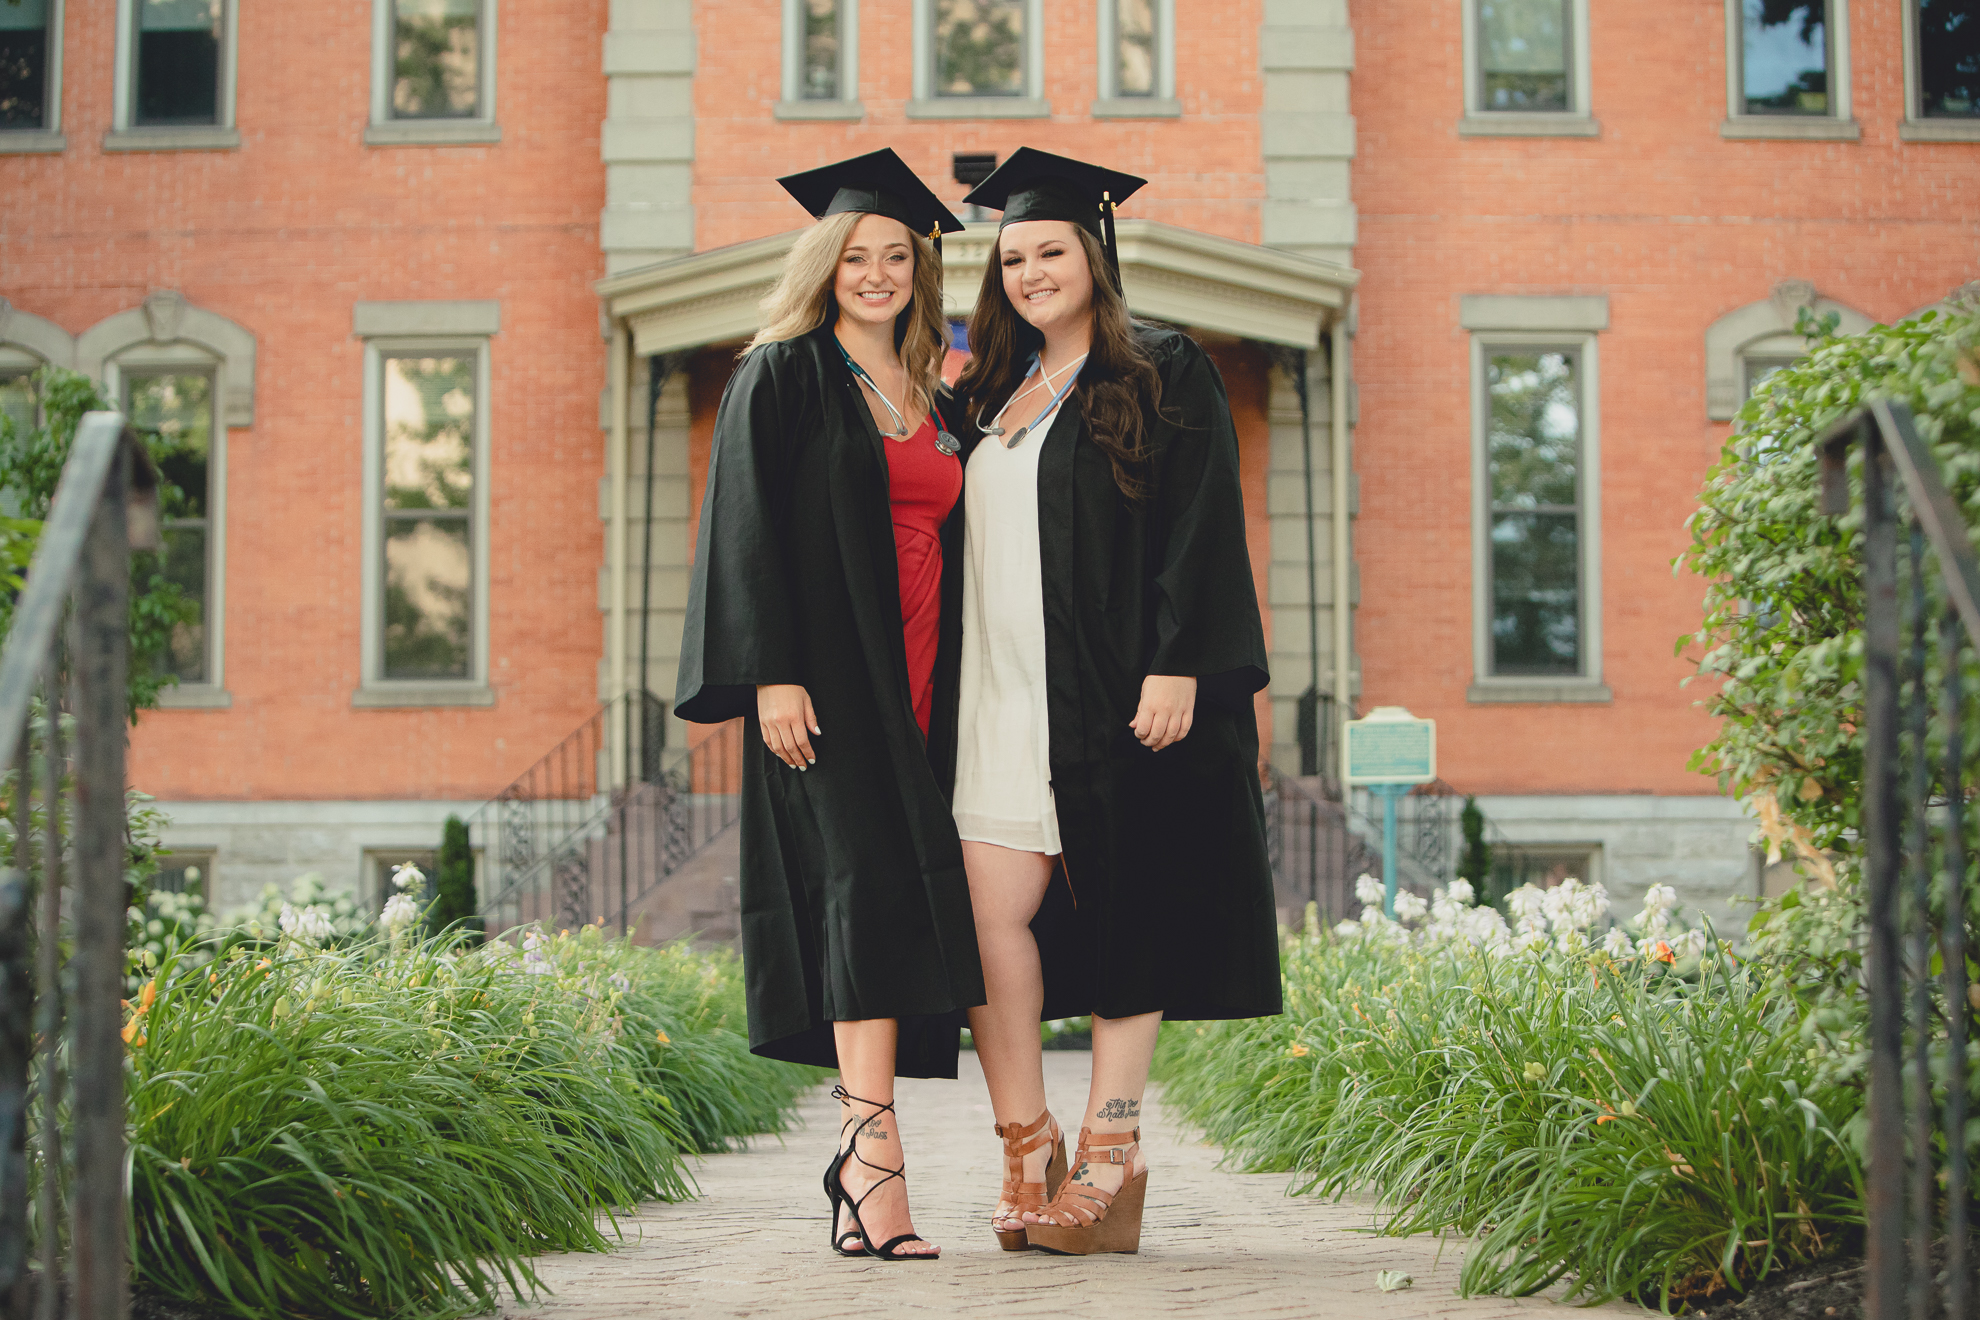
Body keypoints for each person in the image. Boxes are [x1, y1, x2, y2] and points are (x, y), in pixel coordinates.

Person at [938, 148, 1283, 1256]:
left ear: (1093, 252)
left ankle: (1113, 1151)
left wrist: (1181, 661)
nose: (1031, 271)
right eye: (1013, 258)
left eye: (1049, 250)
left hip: (1117, 693)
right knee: (986, 918)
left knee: (1132, 907)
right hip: (996, 698)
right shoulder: (986, 391)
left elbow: (1200, 518)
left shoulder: (1160, 369)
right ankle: (1027, 1140)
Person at [676, 149, 976, 1262]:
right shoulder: (785, 373)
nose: (879, 272)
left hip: (926, 681)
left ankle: (864, 1166)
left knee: (898, 905)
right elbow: (743, 525)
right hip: (830, 681)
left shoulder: (936, 393)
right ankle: (874, 1166)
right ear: (825, 262)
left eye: (898, 256)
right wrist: (771, 675)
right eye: (858, 255)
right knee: (856, 896)